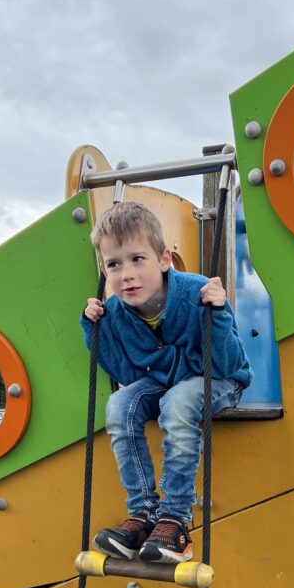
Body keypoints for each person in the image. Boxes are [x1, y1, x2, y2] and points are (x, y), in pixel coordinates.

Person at [80, 201, 252, 564]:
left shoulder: (197, 293)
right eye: (114, 264)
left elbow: (227, 362)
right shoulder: (116, 313)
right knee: (119, 405)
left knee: (178, 403)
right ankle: (143, 514)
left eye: (137, 259)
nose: (126, 274)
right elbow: (124, 373)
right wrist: (94, 328)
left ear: (164, 260)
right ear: (104, 270)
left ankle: (175, 518)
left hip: (218, 379)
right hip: (164, 383)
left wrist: (217, 313)